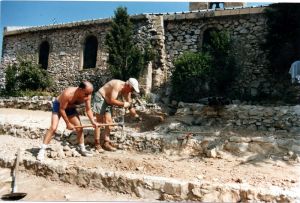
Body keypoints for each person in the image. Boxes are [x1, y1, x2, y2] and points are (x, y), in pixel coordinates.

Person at [37, 81, 98, 161]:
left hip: (70, 108)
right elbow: (62, 110)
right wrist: (68, 123)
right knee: (53, 127)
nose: (88, 95)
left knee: (80, 128)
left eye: (90, 93)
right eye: (86, 93)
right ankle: (42, 150)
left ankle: (82, 149)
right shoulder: (68, 94)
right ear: (80, 89)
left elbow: (88, 109)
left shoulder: (88, 95)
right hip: (59, 106)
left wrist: (93, 121)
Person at [92, 78, 142, 151]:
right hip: (100, 97)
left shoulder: (128, 91)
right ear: (128, 85)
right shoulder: (117, 85)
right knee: (99, 122)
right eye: (132, 89)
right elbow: (112, 100)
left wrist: (135, 115)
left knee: (109, 122)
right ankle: (97, 144)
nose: (132, 91)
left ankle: (106, 143)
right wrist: (123, 104)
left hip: (108, 101)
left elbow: (129, 105)